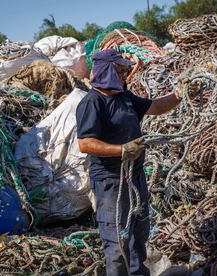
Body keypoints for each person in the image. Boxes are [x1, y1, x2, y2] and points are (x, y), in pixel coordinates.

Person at [76, 49, 184, 276]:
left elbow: (154, 107)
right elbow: (85, 143)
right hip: (111, 183)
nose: (125, 75)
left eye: (125, 70)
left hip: (134, 177)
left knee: (137, 237)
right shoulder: (93, 102)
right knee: (117, 244)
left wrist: (180, 94)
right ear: (106, 70)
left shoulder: (124, 96)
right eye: (120, 70)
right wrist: (122, 150)